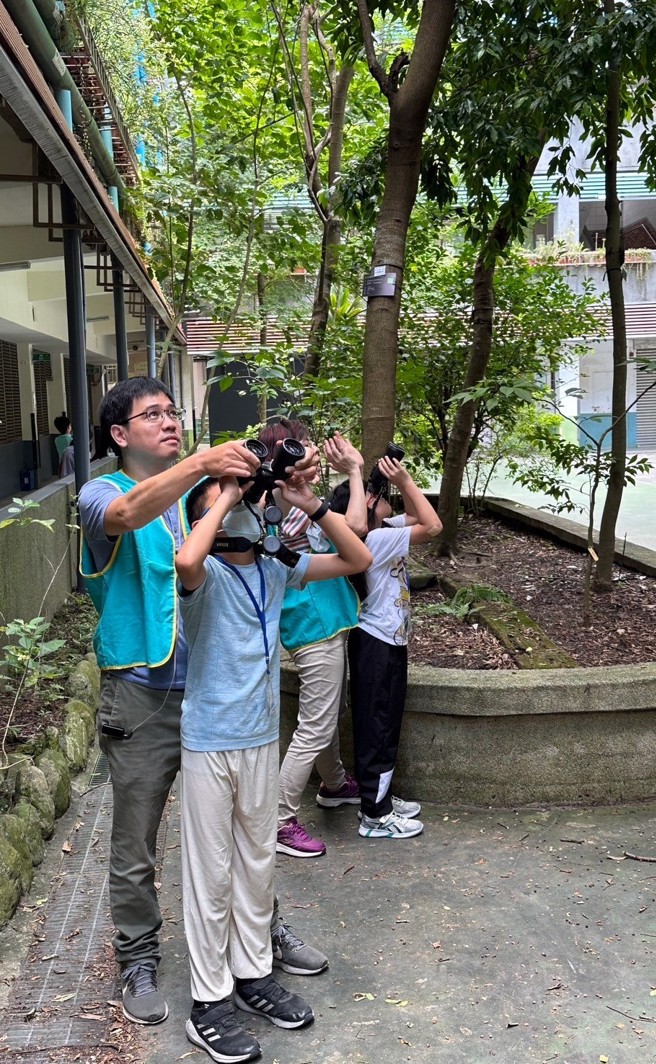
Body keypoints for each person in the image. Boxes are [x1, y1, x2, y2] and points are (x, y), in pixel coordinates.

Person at [78, 377, 328, 1030]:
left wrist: (284, 470)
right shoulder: (99, 495)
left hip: (216, 695)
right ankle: (138, 958)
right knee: (137, 840)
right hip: (142, 693)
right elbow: (128, 516)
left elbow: (259, 521)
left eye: (171, 411)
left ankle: (261, 939)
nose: (167, 421)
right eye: (150, 414)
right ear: (118, 433)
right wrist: (202, 463)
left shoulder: (197, 495)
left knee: (245, 830)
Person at [175, 471, 371, 1062]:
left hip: (260, 741)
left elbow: (356, 557)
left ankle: (253, 972)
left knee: (257, 866)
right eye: (224, 502)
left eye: (242, 498)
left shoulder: (275, 569)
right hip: (209, 742)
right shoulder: (202, 576)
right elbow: (187, 557)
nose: (240, 506)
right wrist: (228, 496)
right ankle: (208, 1001)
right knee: (210, 875)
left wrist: (308, 503)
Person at [257, 422, 366, 859]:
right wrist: (355, 473)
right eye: (307, 454)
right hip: (312, 621)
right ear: (283, 458)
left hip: (319, 616)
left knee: (328, 710)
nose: (318, 461)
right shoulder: (287, 500)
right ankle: (279, 820)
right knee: (316, 722)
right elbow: (354, 527)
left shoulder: (278, 497)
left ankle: (335, 784)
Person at [330, 453, 442, 839]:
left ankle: (380, 798)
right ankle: (374, 815)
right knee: (377, 726)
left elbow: (414, 518)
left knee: (381, 722)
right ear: (363, 510)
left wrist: (392, 486)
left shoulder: (379, 532)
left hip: (380, 640)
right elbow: (433, 525)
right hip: (378, 642)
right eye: (374, 494)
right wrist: (406, 480)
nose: (380, 495)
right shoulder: (375, 538)